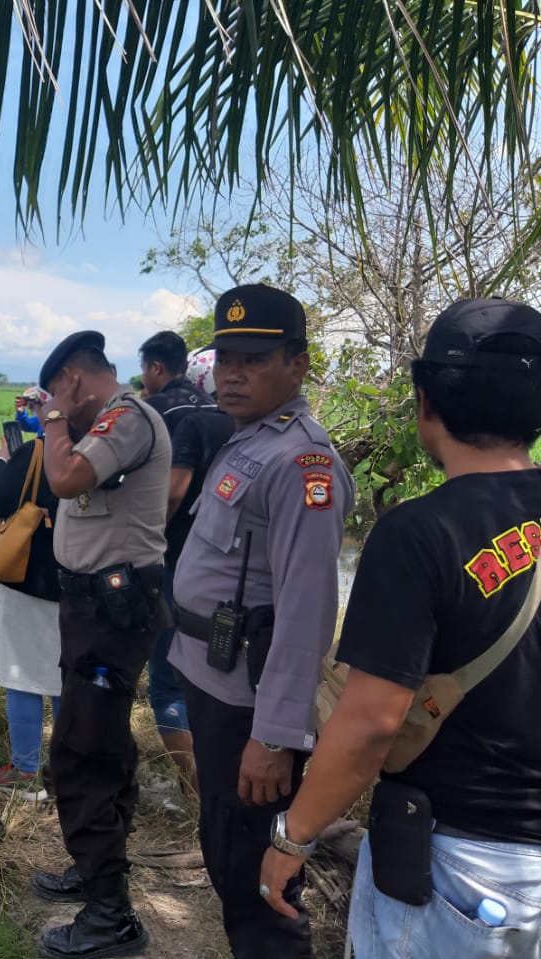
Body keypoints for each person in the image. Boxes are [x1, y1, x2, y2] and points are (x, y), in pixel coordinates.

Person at [259, 298, 541, 958]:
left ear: (425, 403)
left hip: (461, 874)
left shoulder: (418, 535)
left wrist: (292, 836)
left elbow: (369, 724)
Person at [169, 285, 353, 959]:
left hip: (248, 702)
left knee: (258, 883)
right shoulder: (248, 441)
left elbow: (307, 614)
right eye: (224, 358)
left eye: (254, 358)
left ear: (299, 364)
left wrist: (275, 736)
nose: (233, 373)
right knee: (225, 847)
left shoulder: (304, 463)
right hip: (211, 682)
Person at [32, 332, 171, 958]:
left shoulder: (126, 418)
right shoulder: (105, 428)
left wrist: (54, 419)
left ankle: (111, 916)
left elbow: (64, 479)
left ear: (74, 380)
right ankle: (96, 872)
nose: (54, 408)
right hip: (90, 611)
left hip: (111, 612)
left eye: (57, 393)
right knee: (102, 741)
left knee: (80, 752)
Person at [139, 331, 233, 792]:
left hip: (178, 562)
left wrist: (146, 542)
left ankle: (201, 787)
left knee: (166, 680)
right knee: (212, 673)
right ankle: (218, 773)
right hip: (230, 572)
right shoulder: (240, 426)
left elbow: (174, 492)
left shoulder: (184, 422)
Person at [0, 429, 62, 802]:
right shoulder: (101, 446)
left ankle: (25, 772)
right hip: (78, 584)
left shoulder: (39, 451)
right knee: (64, 679)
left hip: (29, 578)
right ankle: (66, 769)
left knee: (22, 676)